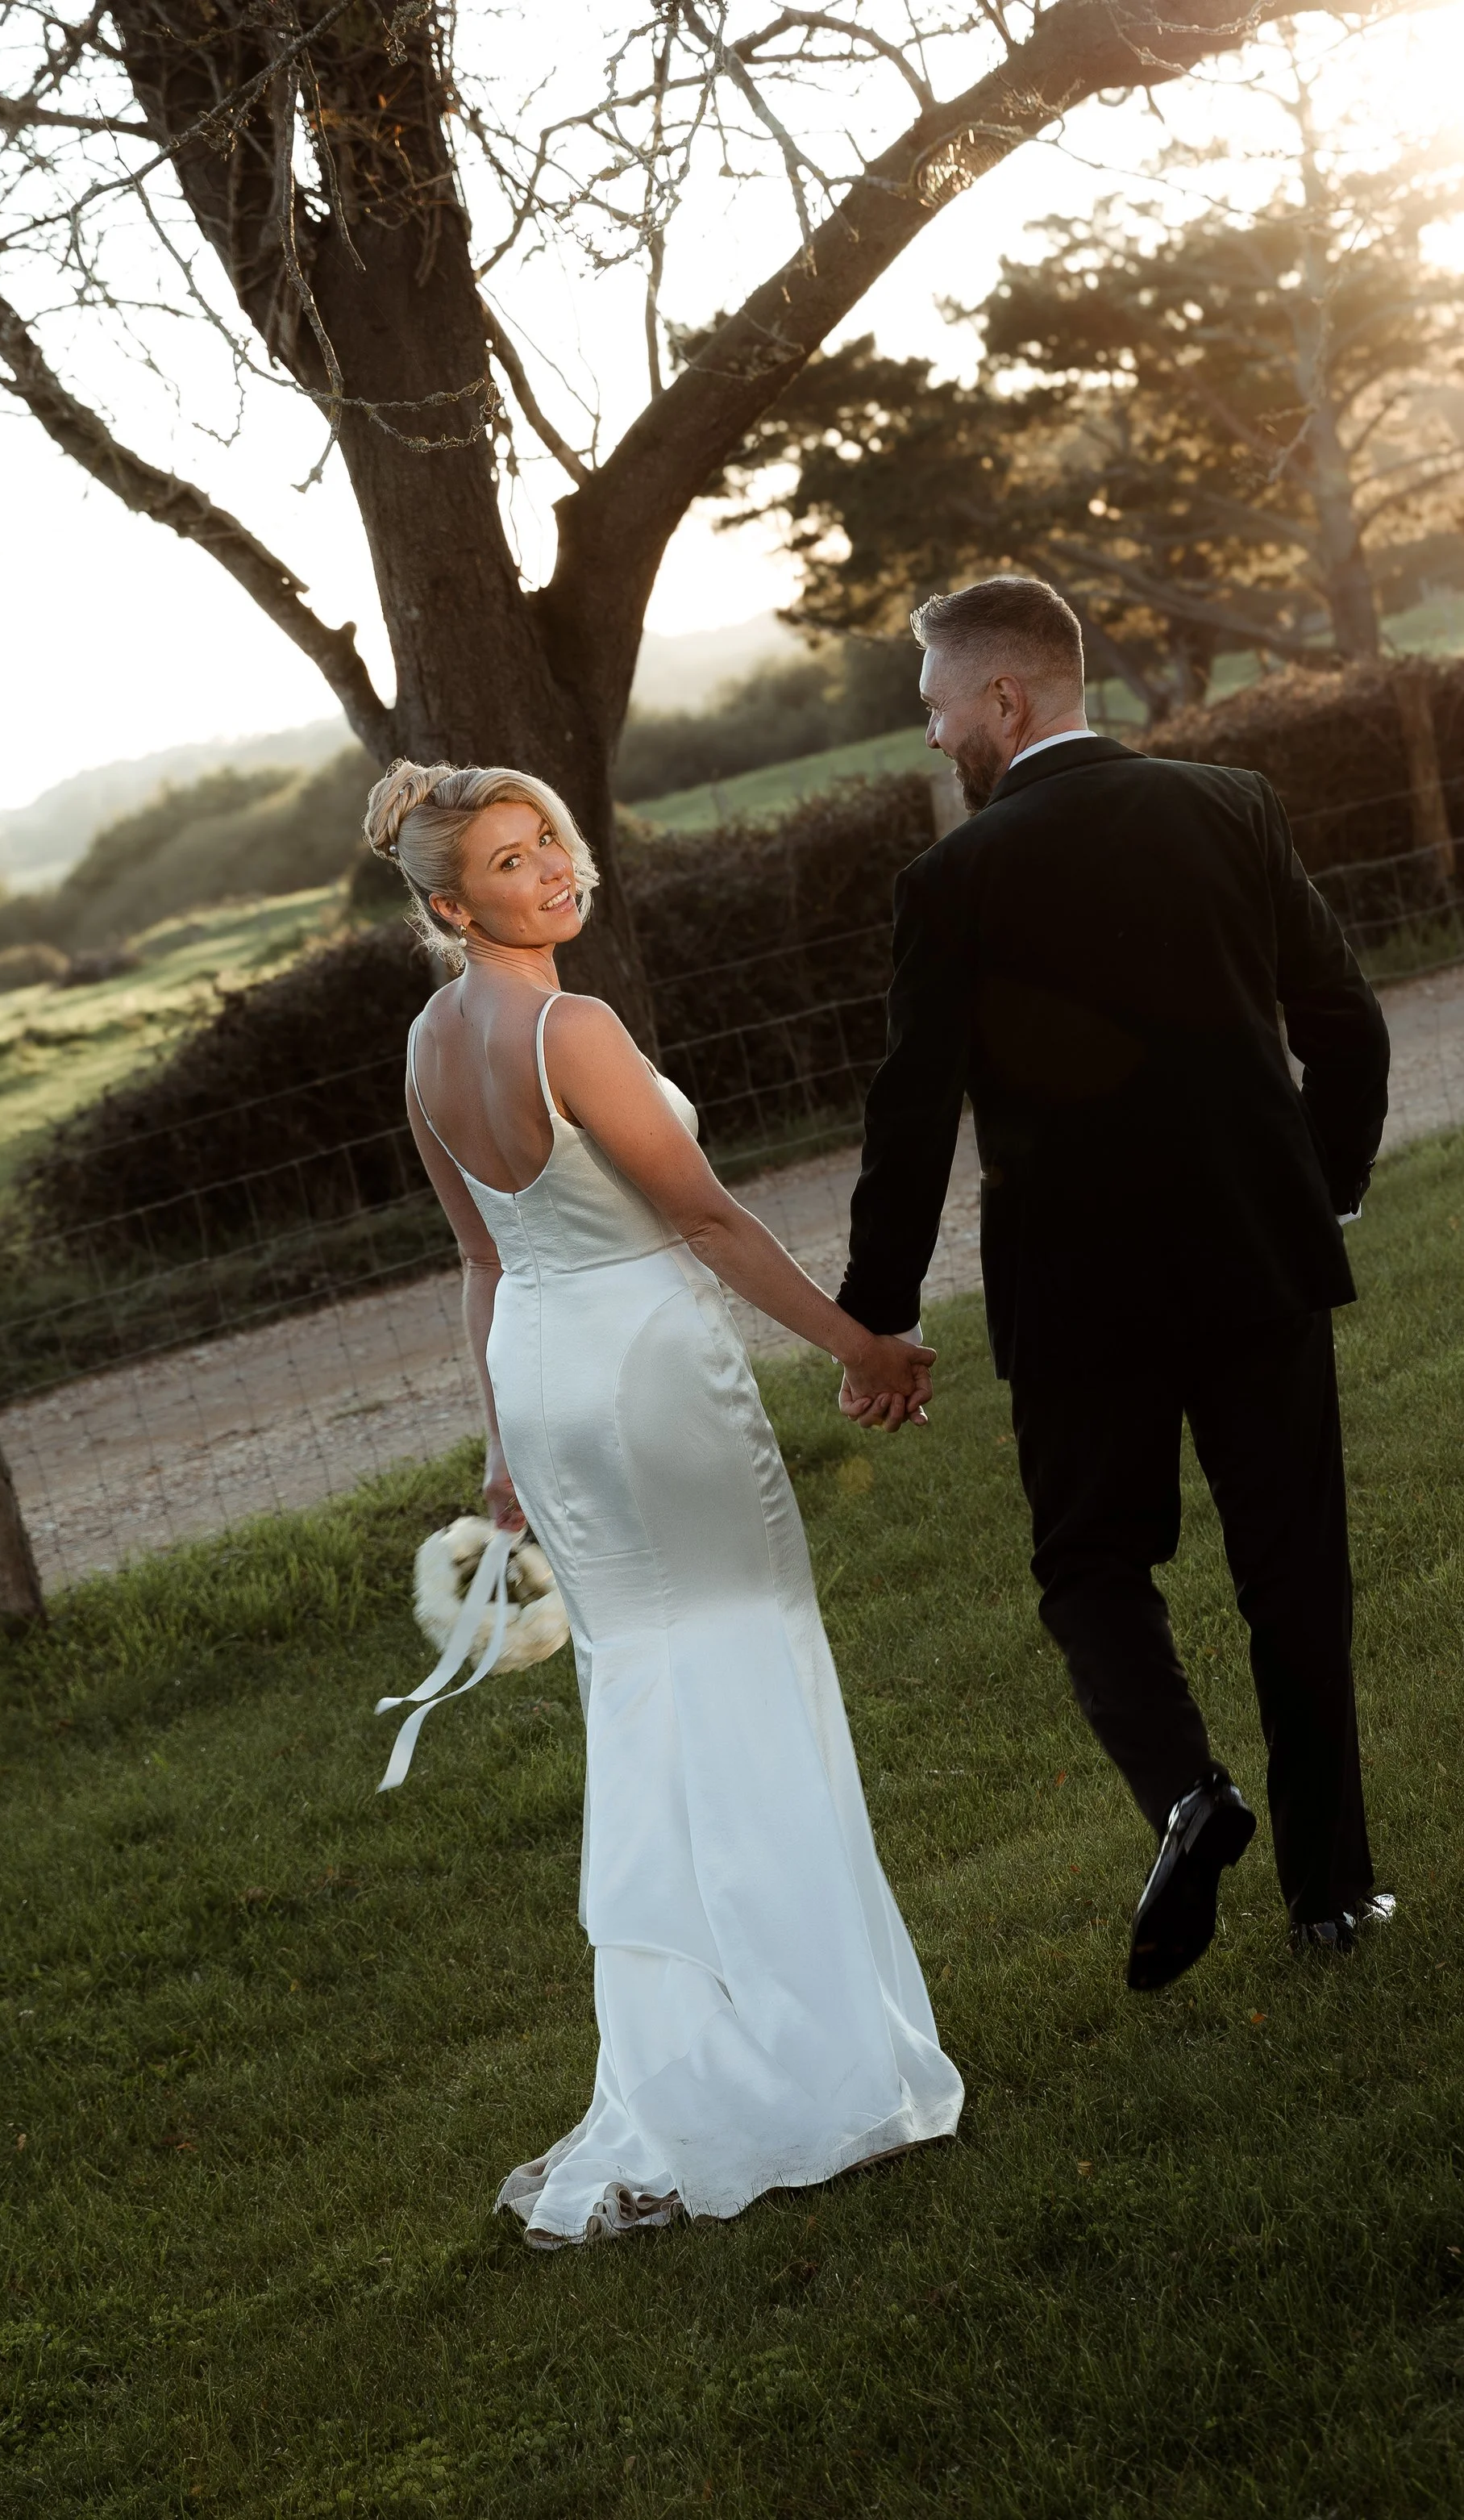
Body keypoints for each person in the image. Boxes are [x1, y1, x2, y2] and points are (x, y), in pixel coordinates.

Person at [368, 760, 962, 2251]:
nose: (554, 868)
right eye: (510, 861)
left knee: (650, 1699)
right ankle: (800, 2070)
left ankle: (688, 2053)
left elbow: (486, 1264)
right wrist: (861, 1345)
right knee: (738, 1674)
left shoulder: (433, 1043)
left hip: (550, 1373)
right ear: (452, 903)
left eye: (553, 838)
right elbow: (697, 1214)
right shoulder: (572, 1027)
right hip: (639, 1366)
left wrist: (504, 1445)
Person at [835, 577, 1393, 1983]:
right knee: (1295, 1579)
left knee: (1091, 1564)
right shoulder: (1232, 805)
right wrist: (1316, 1193)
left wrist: (878, 1315)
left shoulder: (950, 882)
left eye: (938, 706)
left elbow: (909, 1120)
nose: (931, 737)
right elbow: (1346, 1021)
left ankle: (1188, 1797)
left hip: (1077, 1291)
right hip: (1259, 1258)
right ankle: (1334, 1895)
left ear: (1004, 701)